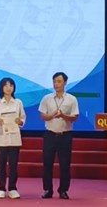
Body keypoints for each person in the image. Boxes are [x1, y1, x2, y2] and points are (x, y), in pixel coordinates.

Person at [38, 72, 80, 200]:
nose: (56, 84)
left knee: (65, 164)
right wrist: (52, 115)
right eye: (55, 81)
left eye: (59, 81)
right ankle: (48, 189)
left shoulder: (72, 99)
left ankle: (63, 190)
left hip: (65, 135)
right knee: (47, 163)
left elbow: (75, 117)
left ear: (65, 83)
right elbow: (43, 116)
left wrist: (63, 116)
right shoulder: (47, 98)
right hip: (50, 135)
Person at [0, 77, 26, 199]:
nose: (8, 88)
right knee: (2, 165)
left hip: (14, 138)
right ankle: (2, 188)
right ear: (1, 88)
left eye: (11, 85)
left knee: (14, 165)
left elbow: (23, 118)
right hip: (1, 138)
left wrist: (20, 121)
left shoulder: (18, 102)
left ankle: (13, 188)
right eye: (6, 85)